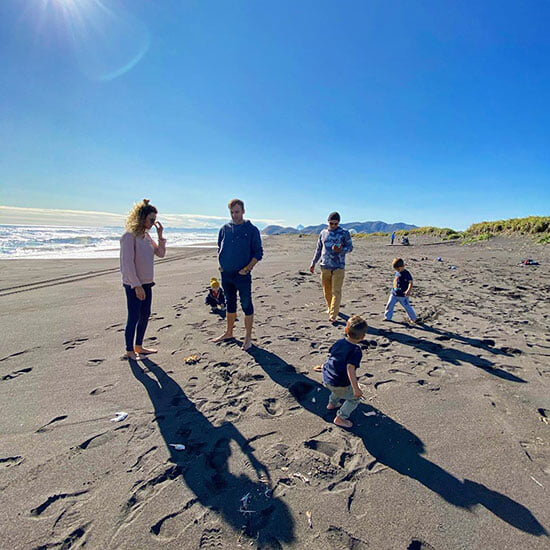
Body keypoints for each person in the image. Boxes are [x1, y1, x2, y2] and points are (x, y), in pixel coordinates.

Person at [213, 199, 263, 351]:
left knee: (246, 304)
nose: (235, 215)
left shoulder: (251, 229)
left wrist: (247, 269)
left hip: (242, 275)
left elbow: (258, 253)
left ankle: (248, 338)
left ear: (243, 211)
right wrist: (221, 266)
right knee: (230, 303)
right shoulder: (224, 229)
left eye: (237, 212)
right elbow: (219, 248)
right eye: (232, 212)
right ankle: (229, 332)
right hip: (226, 274)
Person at [120, 199, 166, 360]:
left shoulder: (146, 237)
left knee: (145, 314)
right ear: (142, 217)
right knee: (133, 316)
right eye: (151, 219)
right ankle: (129, 350)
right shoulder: (129, 236)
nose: (153, 223)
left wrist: (160, 236)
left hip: (147, 283)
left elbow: (160, 253)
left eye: (155, 220)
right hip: (134, 285)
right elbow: (127, 264)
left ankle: (139, 346)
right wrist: (136, 285)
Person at [320, 315, 368, 428]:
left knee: (337, 389)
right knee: (354, 399)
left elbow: (332, 355)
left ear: (346, 330)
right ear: (363, 337)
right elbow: (350, 369)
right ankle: (340, 418)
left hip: (327, 377)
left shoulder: (339, 342)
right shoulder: (356, 351)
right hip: (339, 382)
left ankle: (332, 404)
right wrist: (356, 389)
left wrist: (324, 367)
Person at [309, 212, 353, 322]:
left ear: (338, 223)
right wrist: (313, 262)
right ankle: (331, 308)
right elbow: (319, 249)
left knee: (336, 291)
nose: (333, 225)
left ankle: (333, 315)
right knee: (327, 291)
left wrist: (341, 250)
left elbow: (350, 247)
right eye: (331, 223)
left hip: (338, 266)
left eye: (336, 223)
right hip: (325, 266)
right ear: (328, 221)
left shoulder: (344, 233)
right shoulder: (323, 233)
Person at [384, 258, 419, 323]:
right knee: (389, 305)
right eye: (396, 269)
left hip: (403, 295)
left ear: (402, 266)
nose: (397, 270)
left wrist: (408, 290)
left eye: (398, 269)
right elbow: (395, 280)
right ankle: (387, 317)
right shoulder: (397, 272)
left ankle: (413, 318)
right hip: (394, 293)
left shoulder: (406, 273)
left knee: (407, 307)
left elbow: (410, 282)